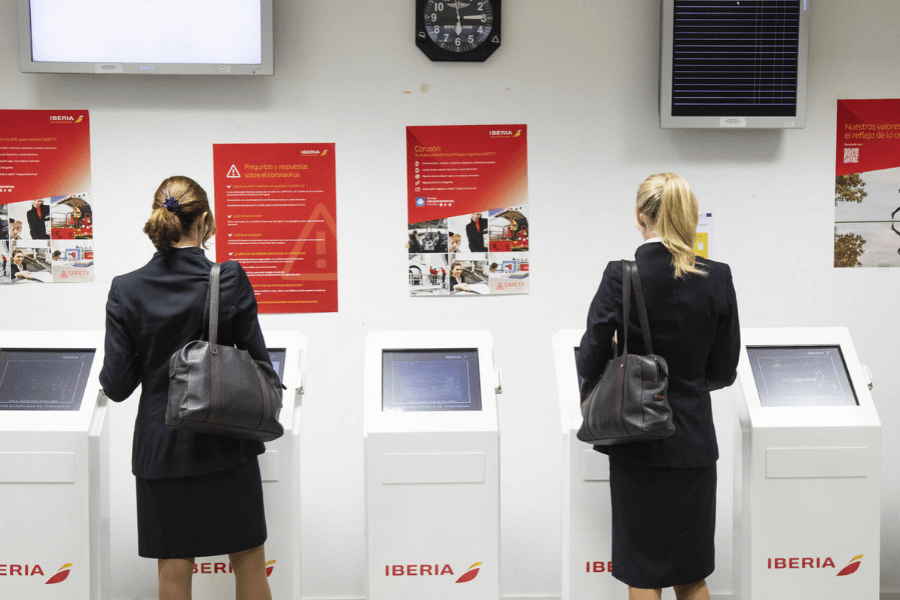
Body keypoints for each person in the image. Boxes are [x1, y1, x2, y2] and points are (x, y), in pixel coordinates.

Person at [99, 176, 273, 600]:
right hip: (226, 443)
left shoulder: (126, 288)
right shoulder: (228, 278)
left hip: (162, 448)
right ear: (206, 221)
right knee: (249, 561)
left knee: (173, 568)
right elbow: (260, 362)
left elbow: (118, 386)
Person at [576, 173, 740, 600]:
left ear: (639, 217)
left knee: (643, 572)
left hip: (636, 441)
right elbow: (724, 369)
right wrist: (684, 383)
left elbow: (590, 354)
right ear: (689, 218)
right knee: (691, 574)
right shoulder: (717, 276)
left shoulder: (621, 276)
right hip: (694, 443)